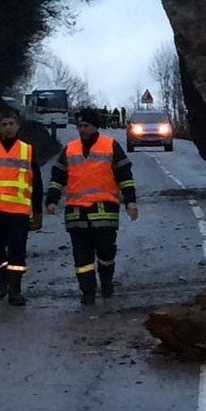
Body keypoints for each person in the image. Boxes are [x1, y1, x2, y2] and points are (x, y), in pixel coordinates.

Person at [46, 107, 138, 304]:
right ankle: (87, 291)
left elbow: (125, 176)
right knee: (82, 257)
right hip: (77, 213)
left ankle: (106, 282)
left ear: (95, 126)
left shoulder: (110, 146)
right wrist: (52, 200)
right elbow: (58, 177)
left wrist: (130, 200)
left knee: (106, 252)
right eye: (79, 126)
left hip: (104, 212)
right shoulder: (70, 149)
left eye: (85, 126)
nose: (82, 130)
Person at [0, 108, 43, 306]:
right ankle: (3, 276)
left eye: (11, 124)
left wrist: (37, 211)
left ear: (18, 125)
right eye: (4, 124)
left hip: (19, 212)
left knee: (17, 252)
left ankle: (15, 290)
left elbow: (36, 182)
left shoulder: (27, 150)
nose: (8, 128)